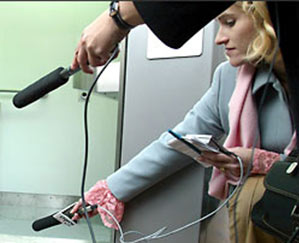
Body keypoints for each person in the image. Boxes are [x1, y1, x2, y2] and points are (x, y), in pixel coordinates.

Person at [71, 2, 294, 243]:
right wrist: (110, 190)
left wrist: (266, 164)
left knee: (251, 194)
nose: (220, 38)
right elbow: (180, 140)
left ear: (268, 22)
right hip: (271, 218)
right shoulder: (229, 78)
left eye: (230, 22)